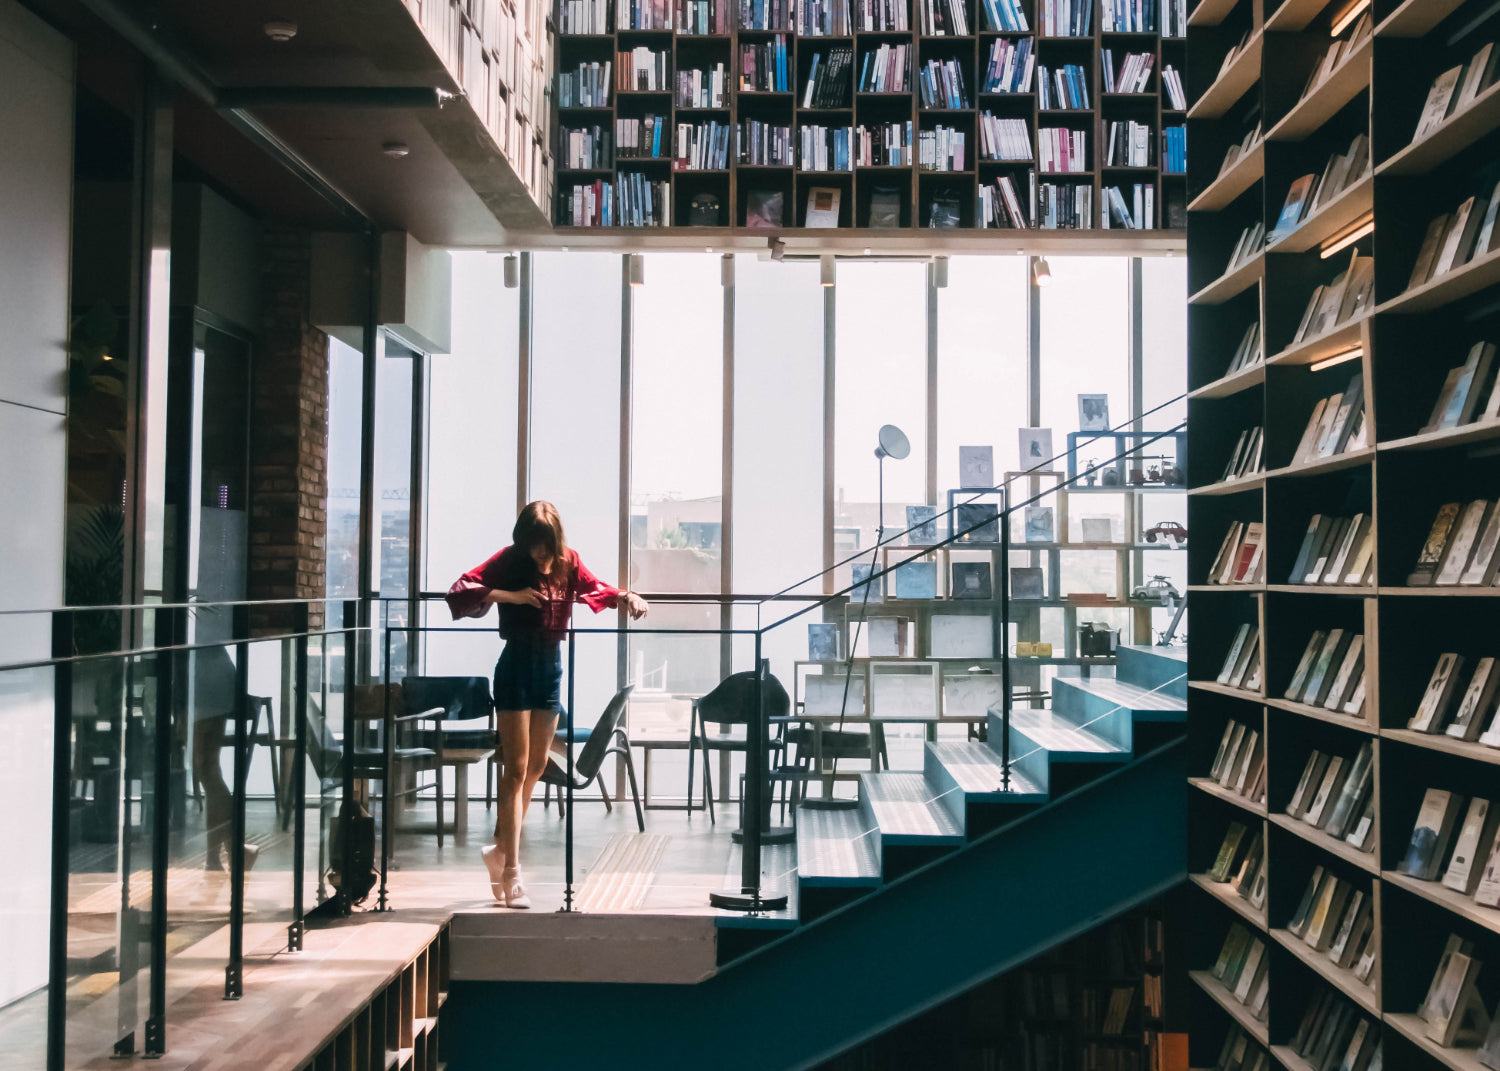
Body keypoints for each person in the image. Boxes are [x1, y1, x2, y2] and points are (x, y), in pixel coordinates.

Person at [446, 501, 647, 908]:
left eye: (547, 544)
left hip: (551, 668)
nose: (542, 553)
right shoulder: (509, 560)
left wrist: (626, 595)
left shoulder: (568, 562)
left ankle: (500, 849)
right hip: (516, 665)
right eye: (535, 545)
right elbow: (461, 589)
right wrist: (512, 597)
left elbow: (595, 588)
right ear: (524, 541)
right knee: (516, 768)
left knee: (537, 767)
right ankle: (512, 870)